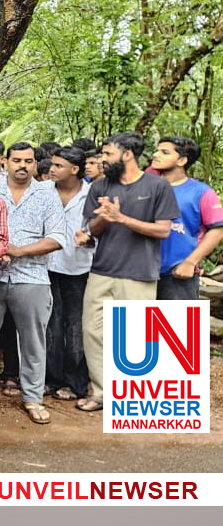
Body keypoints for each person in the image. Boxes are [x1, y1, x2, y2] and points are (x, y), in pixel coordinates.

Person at [75, 132, 178, 413]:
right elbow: (92, 230)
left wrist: (123, 218)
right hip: (102, 270)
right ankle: (101, 393)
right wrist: (104, 220)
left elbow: (163, 230)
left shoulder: (158, 186)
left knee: (136, 337)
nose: (102, 160)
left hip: (139, 272)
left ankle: (134, 399)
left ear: (128, 154)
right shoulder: (100, 187)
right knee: (92, 332)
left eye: (108, 154)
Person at [0, 143, 65, 426]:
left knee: (32, 342)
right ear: (5, 162)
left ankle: (32, 397)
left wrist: (18, 251)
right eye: (16, 160)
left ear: (34, 164)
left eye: (28, 161)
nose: (22, 165)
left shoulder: (47, 196)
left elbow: (57, 239)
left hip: (32, 278)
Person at [46, 147, 94, 401]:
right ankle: (51, 379)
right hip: (46, 266)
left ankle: (75, 382)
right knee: (51, 325)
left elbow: (102, 229)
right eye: (52, 164)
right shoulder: (43, 191)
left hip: (78, 268)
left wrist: (89, 239)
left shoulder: (91, 194)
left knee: (75, 326)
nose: (52, 169)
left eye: (58, 165)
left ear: (75, 170)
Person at [151, 136, 223, 300]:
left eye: (164, 152)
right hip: (139, 272)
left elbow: (217, 230)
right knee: (133, 324)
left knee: (178, 326)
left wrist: (190, 262)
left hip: (178, 273)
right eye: (157, 150)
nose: (156, 154)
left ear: (182, 160)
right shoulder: (144, 187)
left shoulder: (201, 192)